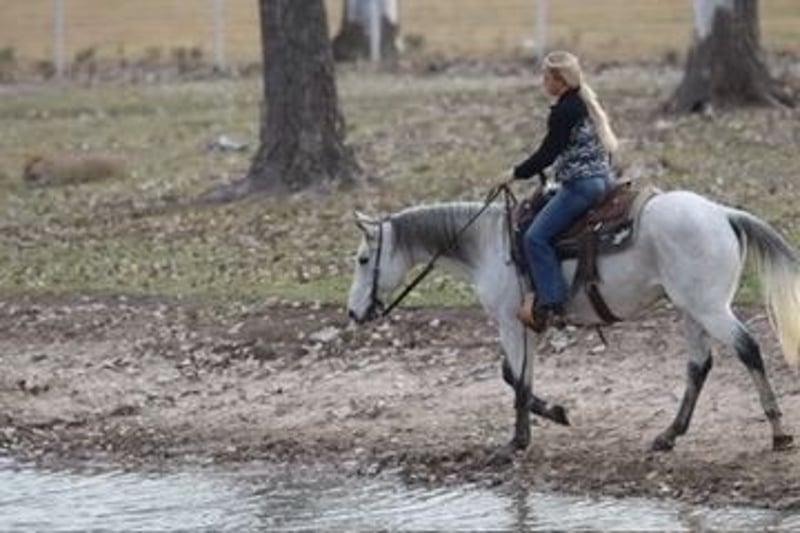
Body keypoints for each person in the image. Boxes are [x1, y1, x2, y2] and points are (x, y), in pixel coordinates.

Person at [510, 51, 619, 332]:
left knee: (535, 237)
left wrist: (515, 173)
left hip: (581, 186)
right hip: (603, 180)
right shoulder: (584, 102)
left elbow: (548, 152)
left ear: (560, 80)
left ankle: (553, 303)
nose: (543, 81)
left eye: (546, 77)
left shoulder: (564, 111)